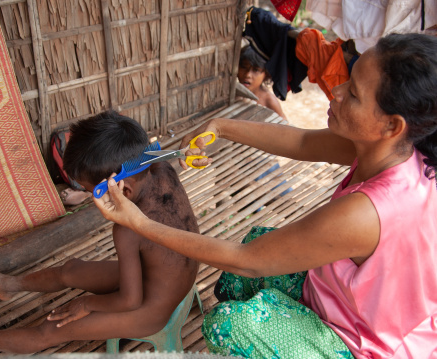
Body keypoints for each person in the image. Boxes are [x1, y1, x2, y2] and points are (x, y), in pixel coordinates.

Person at [92, 33, 437, 358]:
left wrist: (139, 222)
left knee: (230, 323)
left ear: (392, 126)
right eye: (347, 78)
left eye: (355, 94)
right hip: (357, 304)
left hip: (364, 345)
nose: (336, 91)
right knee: (250, 256)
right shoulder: (392, 152)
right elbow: (302, 142)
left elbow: (246, 259)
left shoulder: (365, 214)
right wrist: (220, 126)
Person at [0, 111, 200, 353]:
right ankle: (8, 285)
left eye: (90, 192)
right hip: (165, 279)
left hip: (150, 311)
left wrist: (87, 304)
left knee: (50, 330)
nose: (88, 196)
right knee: (70, 270)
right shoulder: (160, 165)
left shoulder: (128, 230)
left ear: (124, 191)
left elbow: (130, 300)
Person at [237, 46, 287, 119]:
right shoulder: (233, 91)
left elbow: (283, 125)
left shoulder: (269, 101)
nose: (248, 75)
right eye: (244, 67)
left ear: (266, 75)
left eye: (256, 70)